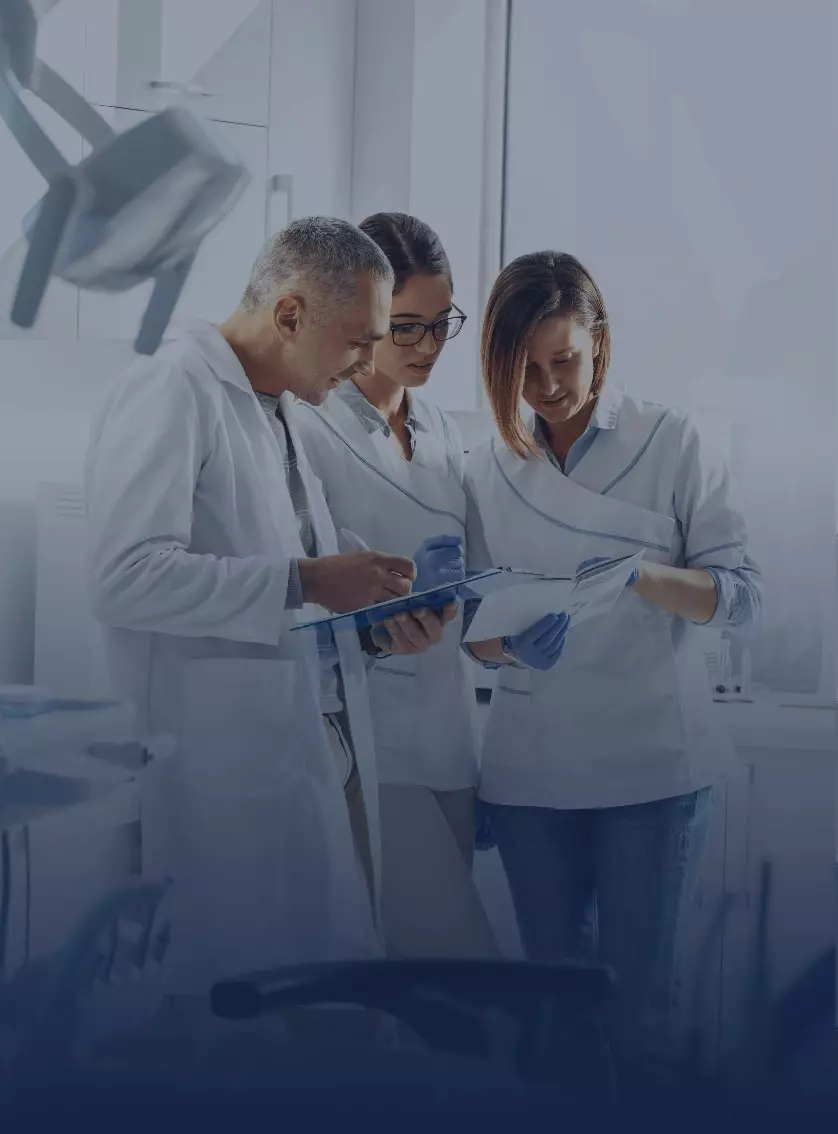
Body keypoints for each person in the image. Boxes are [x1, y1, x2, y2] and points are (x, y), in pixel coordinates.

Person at [83, 216, 458, 1005]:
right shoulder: (172, 386)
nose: (367, 363)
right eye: (358, 341)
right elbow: (125, 576)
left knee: (331, 1005)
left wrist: (378, 624)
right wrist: (309, 581)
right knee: (245, 1017)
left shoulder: (277, 406)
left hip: (317, 746)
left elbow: (294, 591)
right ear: (290, 314)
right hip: (225, 765)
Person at [464, 251, 763, 1094]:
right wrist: (508, 647)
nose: (548, 385)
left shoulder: (672, 441)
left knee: (640, 1019)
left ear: (598, 342)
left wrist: (638, 575)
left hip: (651, 768)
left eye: (563, 360)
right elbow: (472, 630)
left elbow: (740, 596)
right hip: (530, 772)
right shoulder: (485, 467)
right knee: (553, 1015)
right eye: (523, 368)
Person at [291, 212, 515, 961]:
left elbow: (479, 578)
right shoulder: (308, 424)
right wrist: (373, 626)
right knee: (458, 979)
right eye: (406, 327)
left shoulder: (446, 429)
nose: (427, 347)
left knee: (422, 992)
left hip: (450, 736)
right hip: (368, 740)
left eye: (441, 324)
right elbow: (296, 589)